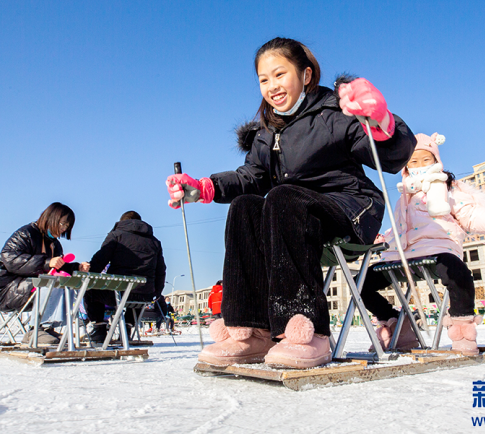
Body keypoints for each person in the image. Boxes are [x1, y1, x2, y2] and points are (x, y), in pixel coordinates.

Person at [165, 37, 417, 368]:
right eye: (264, 79)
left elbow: (391, 156)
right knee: (246, 207)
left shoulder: (335, 112)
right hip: (292, 216)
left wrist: (381, 122)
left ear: (307, 75)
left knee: (283, 198)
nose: (272, 86)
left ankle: (307, 330)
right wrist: (204, 186)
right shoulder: (268, 132)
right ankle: (253, 330)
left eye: (280, 74)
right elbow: (251, 177)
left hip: (351, 207)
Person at [358, 133, 485, 355]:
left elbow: (471, 215)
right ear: (406, 166)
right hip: (401, 255)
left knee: (458, 272)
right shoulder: (405, 194)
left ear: (436, 161)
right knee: (361, 282)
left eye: (425, 160)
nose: (419, 166)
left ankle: (462, 328)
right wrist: (383, 239)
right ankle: (397, 326)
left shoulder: (448, 188)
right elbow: (400, 227)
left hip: (438, 248)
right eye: (414, 162)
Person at [0, 203, 89, 344]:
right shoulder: (26, 234)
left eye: (68, 226)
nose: (64, 228)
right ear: (52, 218)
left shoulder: (55, 244)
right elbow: (10, 259)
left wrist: (76, 267)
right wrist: (47, 262)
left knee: (64, 282)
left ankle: (47, 328)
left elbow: (57, 268)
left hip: (29, 289)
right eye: (63, 223)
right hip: (4, 289)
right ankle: (36, 330)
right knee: (51, 282)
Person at [84, 211, 166, 343]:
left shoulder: (116, 235)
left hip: (117, 292)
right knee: (137, 292)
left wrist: (89, 276)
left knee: (90, 292)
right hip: (143, 294)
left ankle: (99, 329)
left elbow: (100, 260)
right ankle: (127, 329)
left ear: (122, 222)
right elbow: (161, 270)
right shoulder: (155, 242)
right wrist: (157, 292)